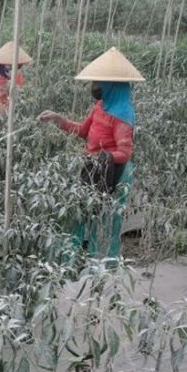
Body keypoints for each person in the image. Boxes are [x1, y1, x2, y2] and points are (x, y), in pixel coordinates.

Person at [38, 46, 145, 266]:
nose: (94, 87)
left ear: (111, 86)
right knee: (81, 212)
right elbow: (84, 132)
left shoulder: (122, 115)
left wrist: (102, 158)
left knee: (105, 219)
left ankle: (102, 265)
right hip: (94, 168)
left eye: (97, 83)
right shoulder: (100, 106)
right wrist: (59, 120)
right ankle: (72, 260)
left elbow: (124, 153)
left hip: (113, 174)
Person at [0, 42, 33, 114]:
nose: (14, 69)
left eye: (17, 66)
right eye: (9, 66)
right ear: (1, 66)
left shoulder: (17, 75)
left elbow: (21, 92)